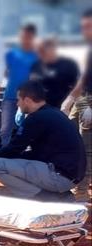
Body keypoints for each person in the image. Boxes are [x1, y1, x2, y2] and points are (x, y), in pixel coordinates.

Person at [0, 81, 86, 199]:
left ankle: (46, 197)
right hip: (71, 175)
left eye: (19, 99)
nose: (17, 103)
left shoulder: (36, 118)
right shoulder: (53, 113)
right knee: (16, 160)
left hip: (59, 175)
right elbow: (32, 153)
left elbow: (13, 150)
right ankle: (57, 194)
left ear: (27, 100)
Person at [61, 8, 92, 202]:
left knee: (86, 148)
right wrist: (70, 101)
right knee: (71, 143)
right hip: (82, 99)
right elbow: (83, 77)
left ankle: (81, 192)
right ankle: (72, 185)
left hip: (89, 102)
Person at [0, 24, 38, 147]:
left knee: (27, 129)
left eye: (27, 37)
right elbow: (3, 71)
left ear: (33, 37)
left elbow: (36, 77)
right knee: (5, 129)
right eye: (22, 36)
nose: (24, 39)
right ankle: (4, 155)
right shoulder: (11, 53)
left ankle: (25, 154)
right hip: (10, 96)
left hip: (28, 98)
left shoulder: (37, 56)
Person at [30, 38, 80, 108]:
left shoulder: (68, 65)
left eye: (43, 51)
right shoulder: (36, 65)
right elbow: (32, 86)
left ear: (53, 49)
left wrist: (70, 101)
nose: (40, 54)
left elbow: (79, 85)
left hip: (63, 108)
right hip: (41, 108)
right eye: (38, 51)